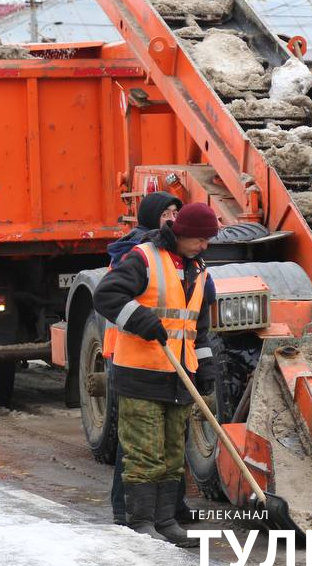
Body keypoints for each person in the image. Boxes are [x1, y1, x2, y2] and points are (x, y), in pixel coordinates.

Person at [94, 202, 220, 547]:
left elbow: (197, 327)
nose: (205, 246)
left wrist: (206, 365)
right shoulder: (144, 257)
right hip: (141, 373)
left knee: (171, 454)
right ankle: (140, 522)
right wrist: (141, 319)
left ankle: (165, 520)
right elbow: (106, 295)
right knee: (144, 453)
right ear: (182, 233)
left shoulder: (199, 268)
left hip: (179, 376)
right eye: (200, 239)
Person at [106, 191, 182, 526]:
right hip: (132, 355)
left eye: (176, 212)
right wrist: (144, 323)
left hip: (168, 357)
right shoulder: (134, 252)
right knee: (136, 442)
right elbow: (112, 297)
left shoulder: (178, 252)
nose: (172, 219)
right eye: (166, 213)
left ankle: (169, 511)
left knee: (167, 442)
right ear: (151, 216)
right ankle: (125, 510)